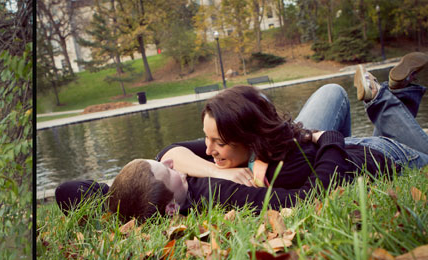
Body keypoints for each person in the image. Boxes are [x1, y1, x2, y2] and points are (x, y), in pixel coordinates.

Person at [55, 52, 428, 219]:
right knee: (417, 157)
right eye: (167, 169)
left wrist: (219, 167)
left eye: (216, 142)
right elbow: (314, 195)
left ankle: (397, 95)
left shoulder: (169, 183)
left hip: (304, 146)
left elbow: (169, 150)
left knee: (332, 93)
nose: (177, 161)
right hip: (360, 155)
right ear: (170, 207)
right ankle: (386, 96)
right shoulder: (219, 192)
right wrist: (327, 138)